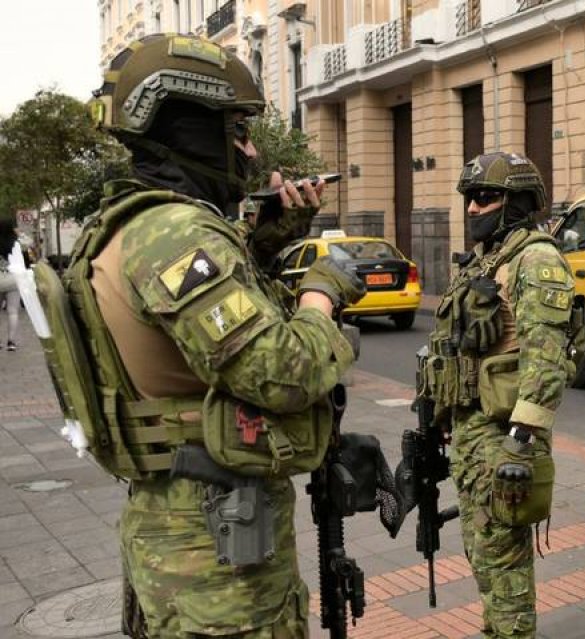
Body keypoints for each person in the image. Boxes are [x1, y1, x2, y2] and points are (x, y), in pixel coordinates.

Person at [75, 35, 366, 637]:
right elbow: (284, 375)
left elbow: (189, 342)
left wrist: (267, 240)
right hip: (215, 545)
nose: (252, 150)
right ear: (185, 127)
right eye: (236, 131)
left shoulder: (134, 223)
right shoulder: (177, 233)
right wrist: (322, 292)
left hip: (188, 524)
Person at [421, 152, 575, 638]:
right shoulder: (488, 260)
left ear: (519, 202)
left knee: (505, 567)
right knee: (484, 557)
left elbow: (547, 361)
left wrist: (521, 443)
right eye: (469, 198)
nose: (473, 208)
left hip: (504, 439)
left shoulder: (535, 259)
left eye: (486, 197)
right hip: (471, 435)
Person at [0, 215, 23, 351]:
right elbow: (21, 263)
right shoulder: (16, 244)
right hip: (13, 279)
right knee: (13, 312)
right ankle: (11, 342)